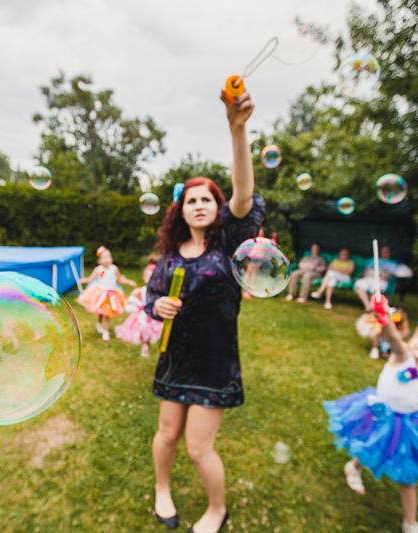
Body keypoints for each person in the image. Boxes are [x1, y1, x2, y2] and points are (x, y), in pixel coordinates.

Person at [143, 88, 262, 533]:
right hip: (175, 358)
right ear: (181, 210)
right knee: (167, 434)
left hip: (214, 361)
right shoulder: (169, 256)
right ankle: (162, 489)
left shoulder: (229, 243)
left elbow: (244, 194)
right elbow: (149, 299)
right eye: (190, 200)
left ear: (217, 208)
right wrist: (157, 305)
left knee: (198, 448)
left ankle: (216, 510)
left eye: (206, 199)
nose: (198, 205)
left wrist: (237, 129)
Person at [323, 295, 418, 533]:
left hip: (405, 423)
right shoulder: (402, 356)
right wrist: (384, 316)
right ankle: (354, 467)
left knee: (406, 475)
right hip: (378, 413)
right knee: (369, 446)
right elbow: (394, 338)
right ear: (411, 339)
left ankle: (410, 523)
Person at [78, 246, 137, 341]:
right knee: (100, 312)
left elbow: (120, 279)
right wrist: (84, 280)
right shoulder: (98, 269)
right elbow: (90, 279)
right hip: (100, 293)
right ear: (99, 261)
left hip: (111, 295)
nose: (106, 259)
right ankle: (99, 324)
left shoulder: (114, 268)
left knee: (107, 314)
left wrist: (129, 282)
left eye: (108, 256)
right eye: (103, 257)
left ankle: (106, 331)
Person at [115, 261, 163, 357]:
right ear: (144, 278)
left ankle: (153, 345)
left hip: (153, 316)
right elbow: (135, 297)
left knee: (154, 331)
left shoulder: (158, 292)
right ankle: (145, 345)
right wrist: (135, 295)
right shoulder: (142, 290)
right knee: (144, 330)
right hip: (143, 316)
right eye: (149, 277)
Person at [354, 245, 400, 312]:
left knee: (376, 290)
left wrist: (384, 277)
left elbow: (392, 273)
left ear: (390, 253)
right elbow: (366, 270)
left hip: (381, 280)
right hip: (369, 278)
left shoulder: (393, 263)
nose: (384, 253)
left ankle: (374, 308)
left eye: (386, 252)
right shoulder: (374, 260)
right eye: (383, 251)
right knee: (359, 285)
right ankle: (368, 307)